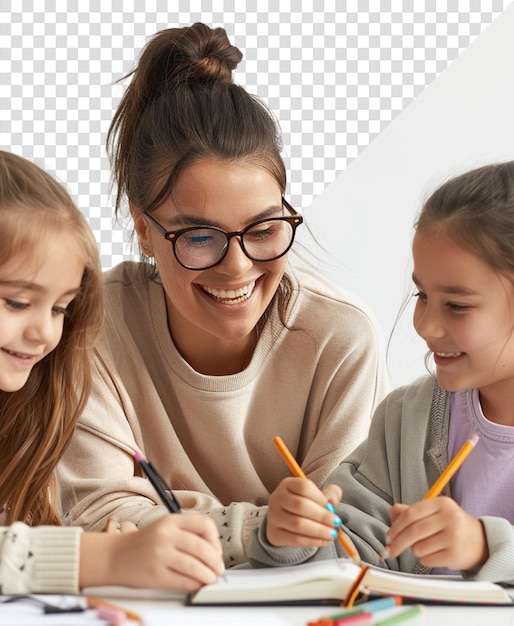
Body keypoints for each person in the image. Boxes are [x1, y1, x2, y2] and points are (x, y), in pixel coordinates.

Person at [58, 22, 388, 567]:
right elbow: (98, 512)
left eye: (263, 230)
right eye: (200, 236)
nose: (237, 267)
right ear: (144, 228)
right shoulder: (92, 323)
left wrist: (162, 529)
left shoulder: (340, 338)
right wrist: (261, 530)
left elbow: (345, 532)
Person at [0, 123, 224, 596]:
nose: (46, 332)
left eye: (61, 307)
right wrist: (98, 559)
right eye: (18, 303)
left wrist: (98, 547)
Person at [255, 161, 514, 582]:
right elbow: (355, 553)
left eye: (458, 305)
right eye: (422, 294)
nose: (425, 324)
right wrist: (296, 534)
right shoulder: (405, 420)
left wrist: (488, 547)